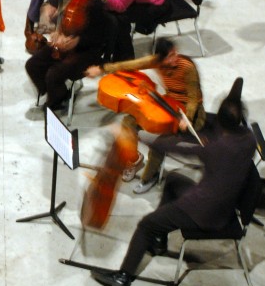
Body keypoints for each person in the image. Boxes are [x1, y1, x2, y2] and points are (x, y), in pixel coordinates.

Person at [92, 93, 255, 286]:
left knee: (145, 225)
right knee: (173, 180)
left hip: (203, 213)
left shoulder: (217, 149)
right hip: (224, 205)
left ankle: (122, 277)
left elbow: (169, 147)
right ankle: (159, 240)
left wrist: (134, 134)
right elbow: (215, 125)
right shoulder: (248, 139)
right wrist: (189, 127)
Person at [86, 37, 204, 193]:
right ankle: (134, 159)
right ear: (161, 59)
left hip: (191, 113)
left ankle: (150, 177)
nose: (175, 57)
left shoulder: (187, 67)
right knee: (128, 122)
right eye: (170, 56)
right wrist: (102, 69)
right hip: (167, 102)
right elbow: (130, 65)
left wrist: (186, 118)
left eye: (175, 53)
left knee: (159, 144)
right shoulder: (157, 61)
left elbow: (193, 99)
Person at [24, 0, 106, 112]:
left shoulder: (93, 2)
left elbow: (99, 37)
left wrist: (77, 41)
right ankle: (59, 93)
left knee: (53, 74)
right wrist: (57, 31)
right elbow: (66, 20)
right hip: (66, 43)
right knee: (32, 65)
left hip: (86, 50)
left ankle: (56, 99)